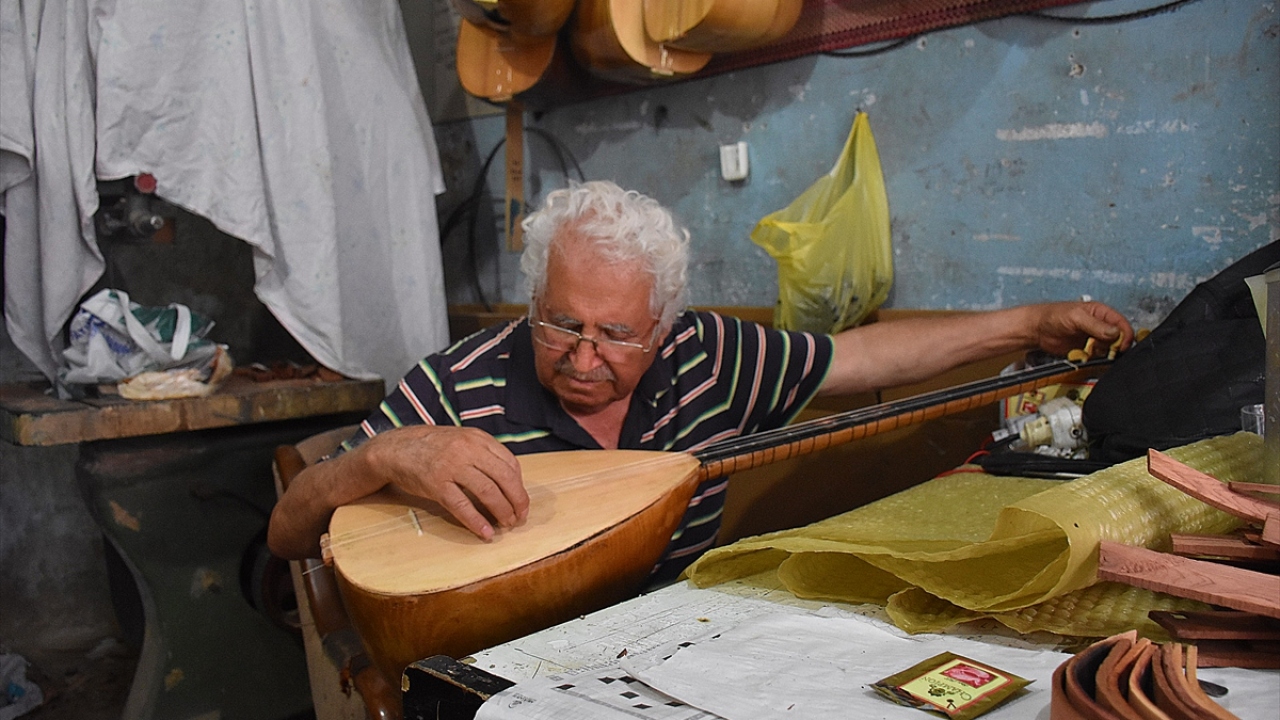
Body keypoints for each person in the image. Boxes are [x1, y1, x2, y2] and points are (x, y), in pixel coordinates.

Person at [268, 180, 1134, 584]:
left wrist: (1028, 325)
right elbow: (287, 532)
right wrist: (389, 452)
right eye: (561, 323)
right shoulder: (458, 386)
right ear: (532, 300)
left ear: (666, 326)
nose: (581, 356)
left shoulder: (710, 357)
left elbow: (865, 360)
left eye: (616, 336)